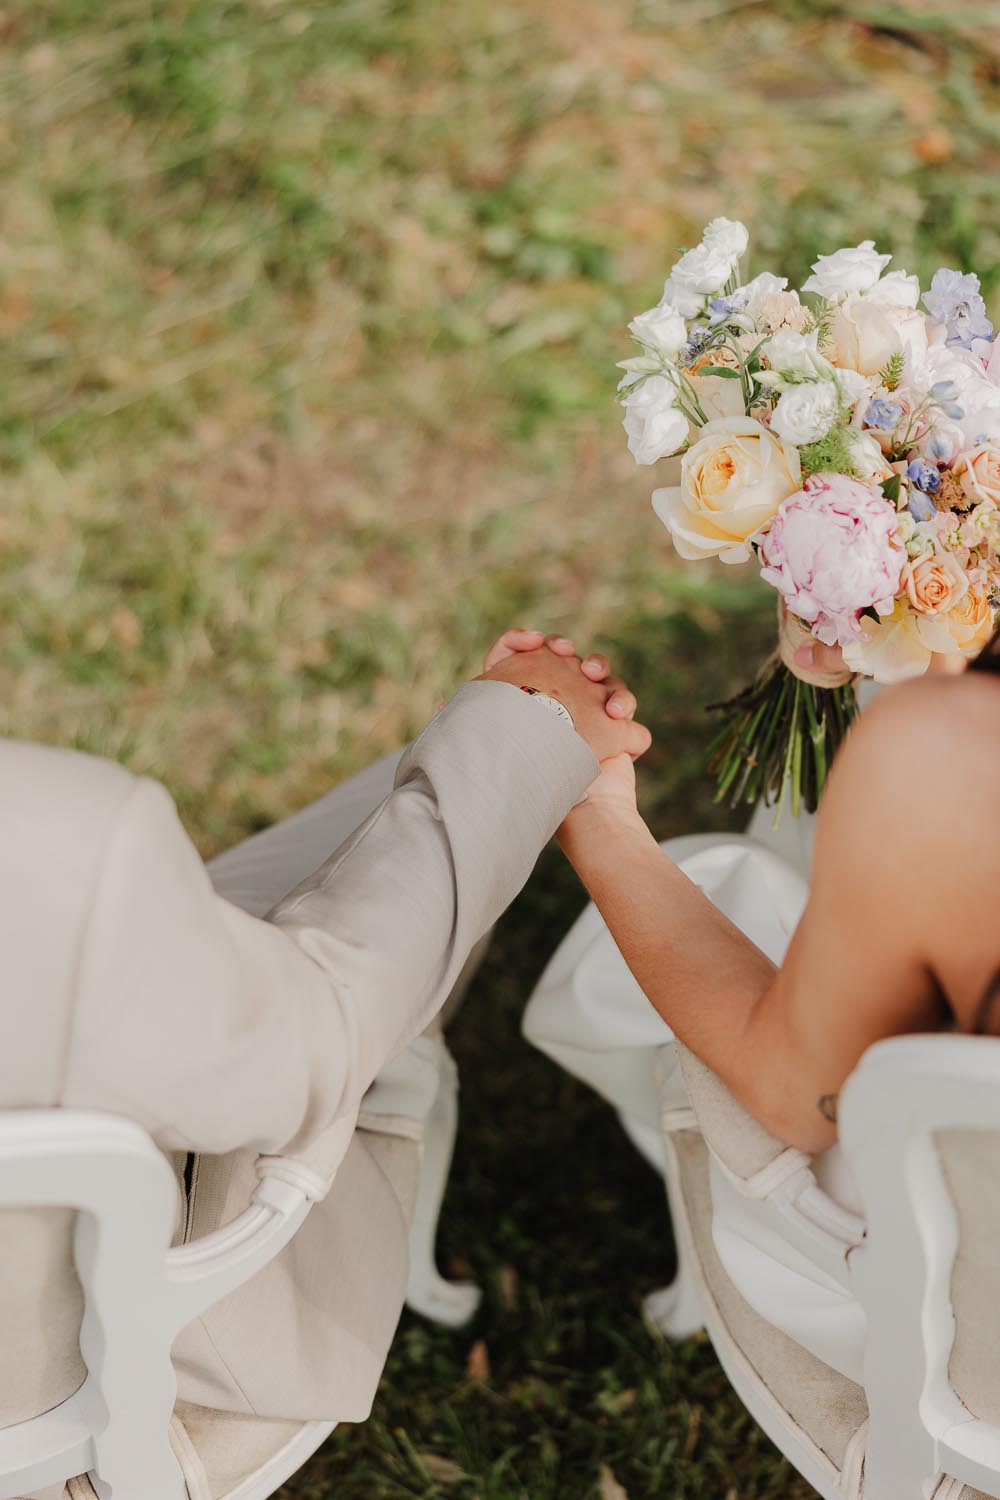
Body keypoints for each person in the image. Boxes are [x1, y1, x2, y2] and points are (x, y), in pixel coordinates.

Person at [0, 629, 649, 1453]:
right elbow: (312, 1045)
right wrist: (523, 733)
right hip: (116, 1374)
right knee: (373, 858)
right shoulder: (65, 846)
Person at [525, 628, 1000, 1383]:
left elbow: (796, 1098)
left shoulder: (947, 758)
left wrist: (590, 805)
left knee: (737, 891)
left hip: (956, 1314)